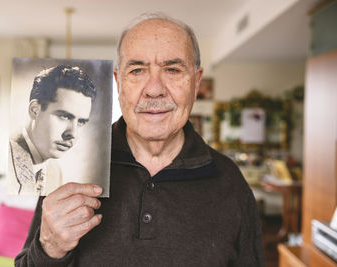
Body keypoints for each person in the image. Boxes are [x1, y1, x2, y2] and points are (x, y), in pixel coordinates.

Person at [15, 12, 264, 266]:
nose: (154, 88)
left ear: (196, 83)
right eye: (137, 70)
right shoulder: (72, 166)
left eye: (173, 69)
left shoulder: (230, 181)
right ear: (118, 82)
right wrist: (50, 246)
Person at [8, 65, 96, 195]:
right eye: (64, 116)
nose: (72, 134)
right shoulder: (5, 159)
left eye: (81, 122)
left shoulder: (55, 172)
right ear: (35, 110)